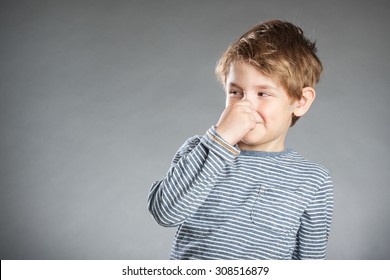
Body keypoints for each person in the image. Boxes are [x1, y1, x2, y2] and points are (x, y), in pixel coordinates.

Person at [148, 20, 334, 260]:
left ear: (301, 102)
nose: (246, 105)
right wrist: (221, 139)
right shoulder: (199, 151)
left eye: (263, 93)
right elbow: (165, 213)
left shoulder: (313, 180)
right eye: (236, 92)